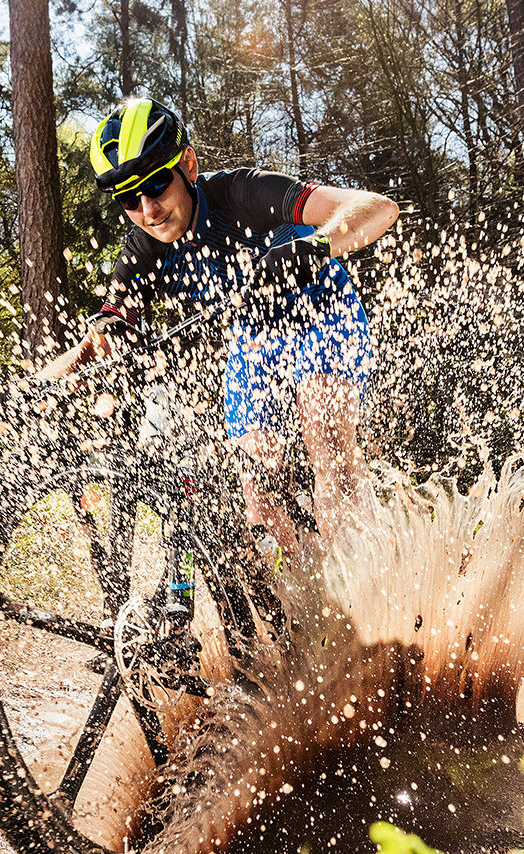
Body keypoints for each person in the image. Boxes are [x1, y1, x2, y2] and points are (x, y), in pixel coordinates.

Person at [38, 97, 399, 553]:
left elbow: (376, 207)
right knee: (258, 491)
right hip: (253, 343)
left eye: (156, 185)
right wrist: (38, 386)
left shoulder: (242, 194)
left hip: (324, 313)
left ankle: (372, 585)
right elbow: (101, 337)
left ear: (187, 164)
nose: (148, 210)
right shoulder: (144, 251)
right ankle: (310, 601)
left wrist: (315, 247)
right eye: (129, 199)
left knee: (325, 445)